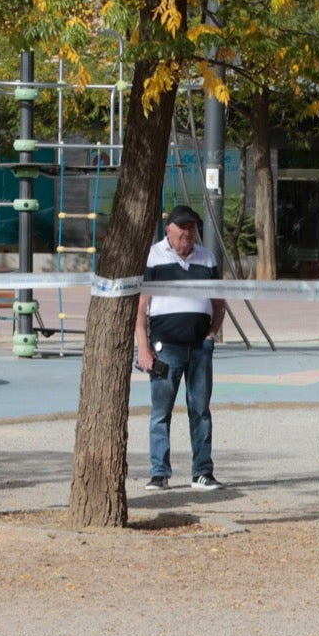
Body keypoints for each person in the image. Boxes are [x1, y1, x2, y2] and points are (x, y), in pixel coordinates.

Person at [136, 205, 227, 492]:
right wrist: (143, 348)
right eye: (182, 227)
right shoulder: (153, 255)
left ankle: (202, 473)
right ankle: (159, 473)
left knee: (200, 411)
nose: (188, 232)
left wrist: (212, 335)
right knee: (161, 412)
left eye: (192, 227)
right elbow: (140, 308)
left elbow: (219, 304)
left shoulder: (208, 257)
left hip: (200, 347)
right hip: (166, 349)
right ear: (169, 229)